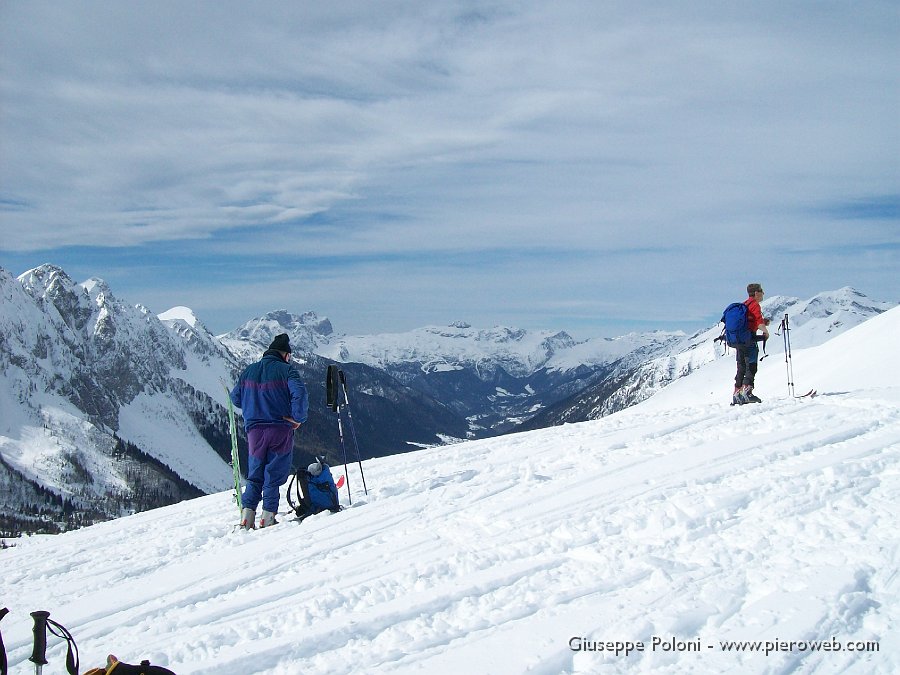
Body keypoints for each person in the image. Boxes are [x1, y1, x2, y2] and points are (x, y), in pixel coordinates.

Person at [230, 333, 309, 529]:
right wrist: (298, 419)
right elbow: (299, 394)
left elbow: (235, 398)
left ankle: (246, 518)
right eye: (289, 356)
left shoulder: (248, 371)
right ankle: (268, 516)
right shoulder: (287, 371)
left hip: (254, 432)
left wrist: (252, 405)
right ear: (284, 354)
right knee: (273, 473)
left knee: (255, 474)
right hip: (280, 429)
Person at [733, 283, 770, 405]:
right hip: (749, 340)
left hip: (739, 340)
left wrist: (764, 322)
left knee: (741, 367)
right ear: (756, 293)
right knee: (751, 366)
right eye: (761, 291)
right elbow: (758, 322)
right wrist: (765, 332)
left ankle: (737, 393)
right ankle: (747, 392)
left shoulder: (744, 305)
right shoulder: (754, 305)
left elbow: (749, 320)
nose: (763, 293)